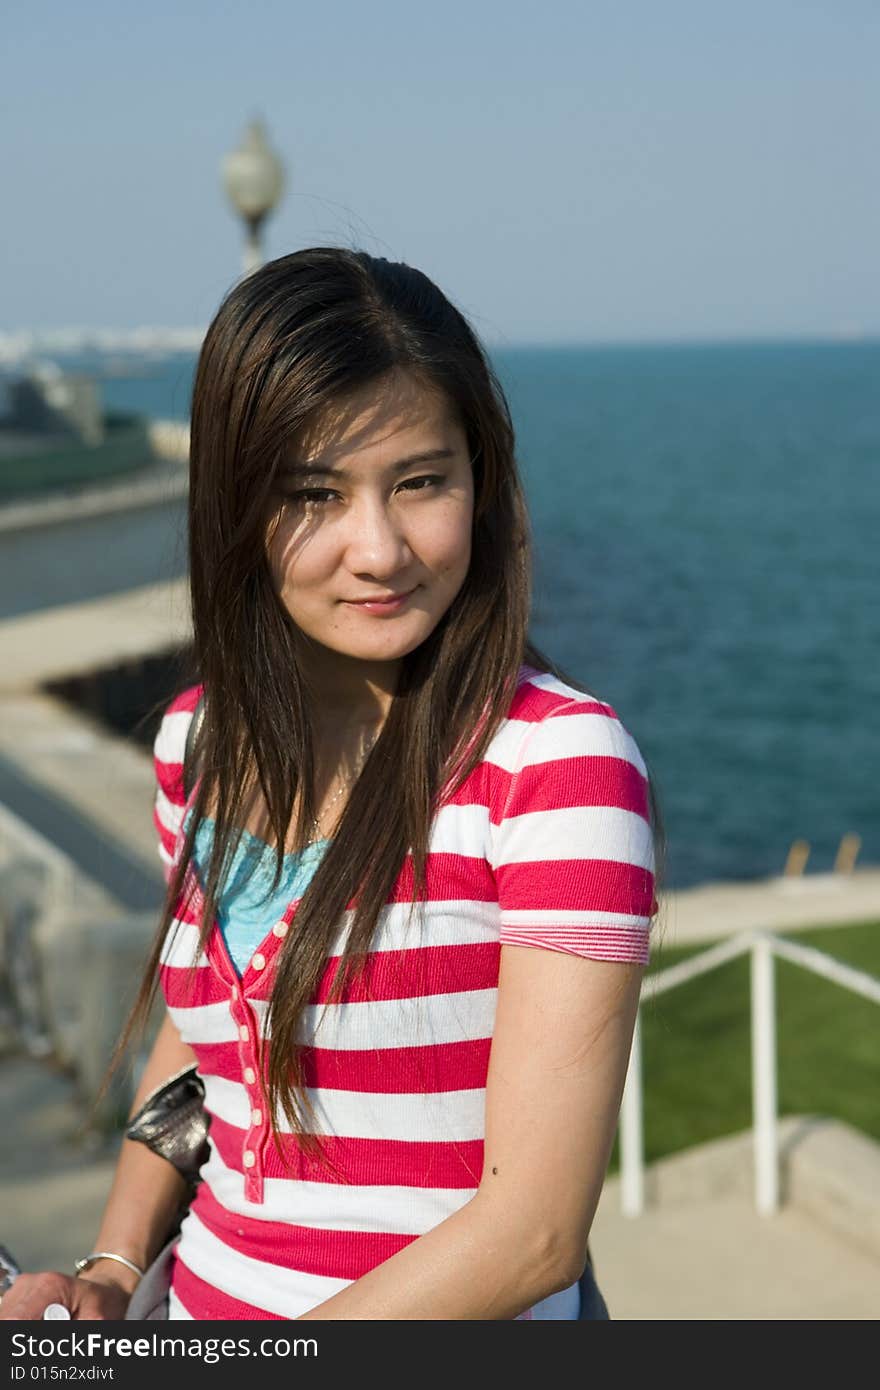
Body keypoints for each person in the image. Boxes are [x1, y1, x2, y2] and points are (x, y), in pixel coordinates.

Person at [0, 247, 661, 1321]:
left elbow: (533, 1234)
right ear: (238, 509)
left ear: (480, 485)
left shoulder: (555, 767)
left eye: (421, 481)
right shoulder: (197, 744)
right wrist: (114, 1270)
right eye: (314, 492)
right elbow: (208, 1033)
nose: (380, 549)